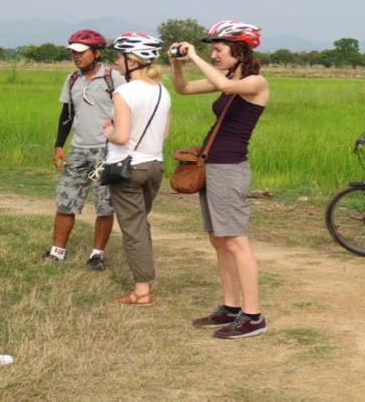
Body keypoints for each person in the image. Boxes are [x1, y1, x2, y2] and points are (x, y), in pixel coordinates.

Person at [169, 20, 269, 339]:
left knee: (236, 241)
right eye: (212, 50)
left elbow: (226, 88)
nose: (214, 55)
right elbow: (183, 89)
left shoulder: (256, 82)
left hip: (229, 169)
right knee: (219, 241)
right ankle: (230, 307)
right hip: (213, 166)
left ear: (238, 52)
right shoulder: (227, 77)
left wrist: (194, 56)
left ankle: (253, 316)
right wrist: (176, 65)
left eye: (218, 49)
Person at [43, 29, 125, 270]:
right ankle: (57, 252)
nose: (76, 57)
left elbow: (127, 114)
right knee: (65, 201)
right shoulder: (72, 80)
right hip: (78, 150)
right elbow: (66, 115)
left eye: (81, 52)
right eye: (73, 53)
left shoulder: (114, 79)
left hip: (107, 151)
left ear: (97, 53)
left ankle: (97, 255)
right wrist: (59, 145)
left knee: (104, 204)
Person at [102, 32, 171, 306]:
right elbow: (164, 135)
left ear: (132, 60)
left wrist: (107, 131)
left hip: (128, 168)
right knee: (142, 223)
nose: (117, 62)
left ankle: (141, 291)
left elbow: (121, 136)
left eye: (119, 57)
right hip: (155, 164)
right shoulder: (162, 91)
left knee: (133, 229)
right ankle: (145, 279)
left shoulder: (124, 92)